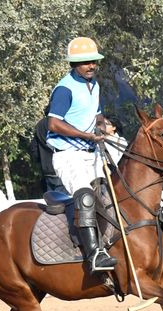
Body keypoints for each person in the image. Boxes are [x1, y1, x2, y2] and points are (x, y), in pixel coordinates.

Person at [45, 36, 118, 273]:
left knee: (110, 193)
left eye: (94, 61)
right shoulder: (64, 89)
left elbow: (96, 114)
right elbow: (53, 124)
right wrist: (87, 136)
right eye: (86, 62)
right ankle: (94, 255)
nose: (91, 66)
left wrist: (101, 124)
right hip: (68, 155)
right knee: (86, 196)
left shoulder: (94, 85)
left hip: (91, 152)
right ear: (74, 64)